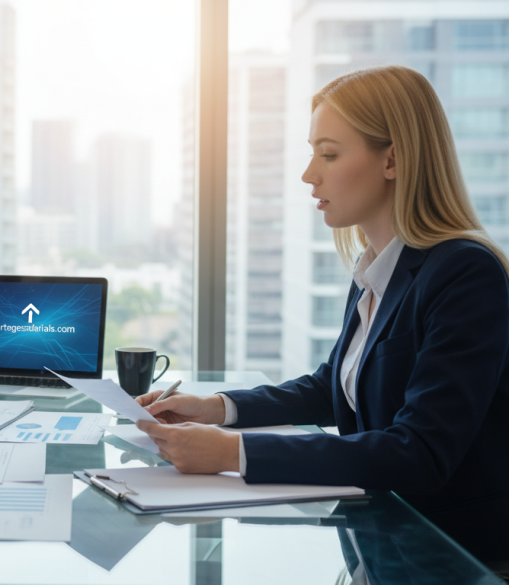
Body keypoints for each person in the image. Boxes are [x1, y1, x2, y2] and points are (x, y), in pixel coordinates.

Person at [134, 65, 509, 564]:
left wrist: (230, 454)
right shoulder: (380, 269)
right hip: (382, 546)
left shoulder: (465, 272)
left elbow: (420, 453)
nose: (310, 174)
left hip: (455, 556)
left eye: (328, 154)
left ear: (393, 159)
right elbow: (332, 387)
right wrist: (217, 408)